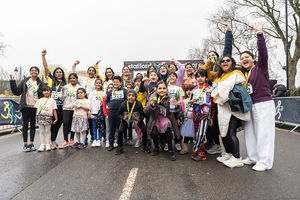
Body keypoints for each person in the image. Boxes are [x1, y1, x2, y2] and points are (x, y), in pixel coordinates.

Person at [240, 22, 276, 171]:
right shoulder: (244, 74)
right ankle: (253, 156)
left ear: (253, 59)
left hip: (263, 103)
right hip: (250, 105)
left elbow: (263, 53)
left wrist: (259, 34)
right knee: (249, 131)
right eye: (242, 58)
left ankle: (265, 161)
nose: (244, 59)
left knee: (263, 132)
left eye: (247, 57)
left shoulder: (260, 67)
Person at [204, 55, 250, 168]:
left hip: (232, 106)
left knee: (230, 132)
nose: (225, 62)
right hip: (220, 106)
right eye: (223, 61)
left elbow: (230, 87)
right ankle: (229, 154)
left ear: (232, 62)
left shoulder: (237, 73)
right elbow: (206, 73)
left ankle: (237, 157)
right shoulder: (218, 76)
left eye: (228, 60)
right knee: (223, 132)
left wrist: (220, 90)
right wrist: (209, 63)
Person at [10, 67, 46, 152]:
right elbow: (17, 92)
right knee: (25, 126)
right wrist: (12, 82)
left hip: (35, 107)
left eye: (35, 70)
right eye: (32, 70)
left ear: (38, 72)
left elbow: (46, 92)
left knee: (33, 125)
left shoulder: (40, 83)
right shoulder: (25, 81)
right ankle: (25, 144)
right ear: (30, 72)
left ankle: (31, 143)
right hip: (26, 107)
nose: (34, 72)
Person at [144, 81, 180, 161]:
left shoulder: (170, 98)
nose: (162, 90)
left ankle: (170, 150)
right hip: (155, 119)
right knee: (153, 132)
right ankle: (156, 147)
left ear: (167, 90)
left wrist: (176, 105)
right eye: (160, 88)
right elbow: (146, 111)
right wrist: (151, 105)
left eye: (164, 88)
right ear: (156, 90)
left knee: (168, 131)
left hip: (166, 118)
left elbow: (175, 111)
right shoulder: (152, 98)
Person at [42, 50, 67, 150]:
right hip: (50, 106)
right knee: (51, 124)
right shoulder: (50, 80)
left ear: (62, 74)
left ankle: (53, 140)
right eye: (57, 72)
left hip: (61, 106)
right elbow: (46, 68)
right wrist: (43, 56)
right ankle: (51, 142)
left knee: (58, 123)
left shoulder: (65, 83)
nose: (58, 73)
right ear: (54, 73)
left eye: (60, 72)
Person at [115, 89, 148, 155]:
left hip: (136, 119)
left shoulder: (138, 104)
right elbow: (118, 114)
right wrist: (123, 117)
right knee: (120, 131)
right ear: (127, 97)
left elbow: (143, 115)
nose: (131, 97)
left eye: (133, 96)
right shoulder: (123, 104)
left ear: (135, 97)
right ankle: (120, 148)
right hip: (126, 119)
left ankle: (144, 146)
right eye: (129, 95)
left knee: (144, 130)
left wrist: (139, 119)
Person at [190, 70, 213, 161]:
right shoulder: (194, 89)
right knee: (197, 134)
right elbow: (190, 103)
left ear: (206, 78)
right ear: (196, 78)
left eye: (202, 76)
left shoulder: (209, 88)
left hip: (205, 114)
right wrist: (192, 101)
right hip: (196, 114)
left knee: (201, 133)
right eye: (198, 76)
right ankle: (201, 152)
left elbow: (212, 104)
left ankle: (196, 148)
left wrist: (211, 117)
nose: (200, 78)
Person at [59, 73, 81, 149]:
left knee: (73, 124)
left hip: (75, 108)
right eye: (71, 78)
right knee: (65, 123)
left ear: (77, 79)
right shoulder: (65, 87)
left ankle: (72, 139)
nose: (72, 79)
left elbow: (81, 98)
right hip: (66, 108)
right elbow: (61, 98)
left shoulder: (79, 87)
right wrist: (62, 92)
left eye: (74, 78)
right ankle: (65, 140)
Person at [106, 76, 127, 151]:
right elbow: (107, 101)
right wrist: (110, 106)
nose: (115, 83)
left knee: (120, 129)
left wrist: (124, 110)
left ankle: (119, 144)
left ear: (120, 83)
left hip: (120, 112)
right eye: (114, 82)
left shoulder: (124, 91)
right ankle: (111, 144)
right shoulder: (110, 92)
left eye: (117, 82)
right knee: (112, 129)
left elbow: (126, 100)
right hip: (112, 112)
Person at [35, 86, 58, 152]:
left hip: (48, 117)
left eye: (48, 91)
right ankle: (42, 144)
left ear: (50, 92)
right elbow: (37, 109)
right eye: (45, 91)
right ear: (42, 92)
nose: (46, 92)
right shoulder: (39, 100)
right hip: (40, 116)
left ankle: (48, 144)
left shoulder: (52, 100)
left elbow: (54, 110)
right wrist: (36, 117)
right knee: (41, 131)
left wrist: (56, 118)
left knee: (48, 131)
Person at [167, 72, 185, 151]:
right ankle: (167, 143)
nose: (171, 77)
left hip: (176, 111)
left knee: (177, 127)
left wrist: (176, 104)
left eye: (173, 76)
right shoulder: (165, 87)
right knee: (167, 127)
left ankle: (177, 142)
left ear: (177, 78)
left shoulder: (179, 88)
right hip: (167, 111)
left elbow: (181, 100)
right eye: (170, 76)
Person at [178, 84, 195, 155]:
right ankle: (185, 149)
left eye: (191, 90)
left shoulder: (196, 100)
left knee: (197, 135)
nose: (189, 92)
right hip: (186, 121)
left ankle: (198, 148)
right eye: (187, 90)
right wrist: (179, 118)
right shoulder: (184, 101)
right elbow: (180, 110)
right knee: (186, 136)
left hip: (195, 121)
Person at [88, 78, 105, 147]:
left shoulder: (104, 93)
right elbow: (89, 103)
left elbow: (105, 102)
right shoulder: (92, 93)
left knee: (100, 126)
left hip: (101, 112)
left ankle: (99, 140)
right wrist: (89, 112)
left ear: (101, 84)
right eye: (97, 83)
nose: (98, 84)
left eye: (99, 83)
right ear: (95, 84)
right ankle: (94, 139)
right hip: (93, 112)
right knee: (94, 126)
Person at [103, 83, 114, 148]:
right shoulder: (106, 97)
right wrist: (106, 115)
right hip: (107, 116)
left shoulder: (116, 97)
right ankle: (107, 141)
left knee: (115, 129)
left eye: (112, 88)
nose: (110, 89)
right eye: (109, 88)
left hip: (114, 115)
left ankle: (115, 140)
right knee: (108, 129)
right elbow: (104, 107)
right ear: (107, 90)